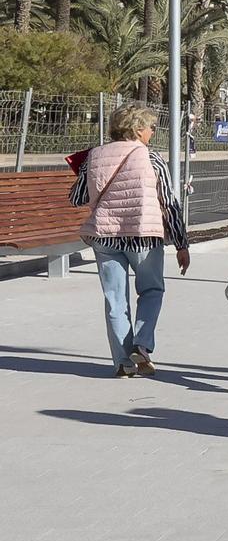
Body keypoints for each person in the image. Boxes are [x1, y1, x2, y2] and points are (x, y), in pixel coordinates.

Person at [69, 102, 190, 376]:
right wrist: (181, 243)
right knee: (151, 291)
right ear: (137, 129)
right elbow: (169, 203)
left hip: (105, 238)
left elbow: (77, 198)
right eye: (151, 128)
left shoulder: (94, 156)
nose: (152, 133)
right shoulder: (152, 158)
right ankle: (142, 344)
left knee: (115, 300)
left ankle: (123, 363)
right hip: (143, 236)